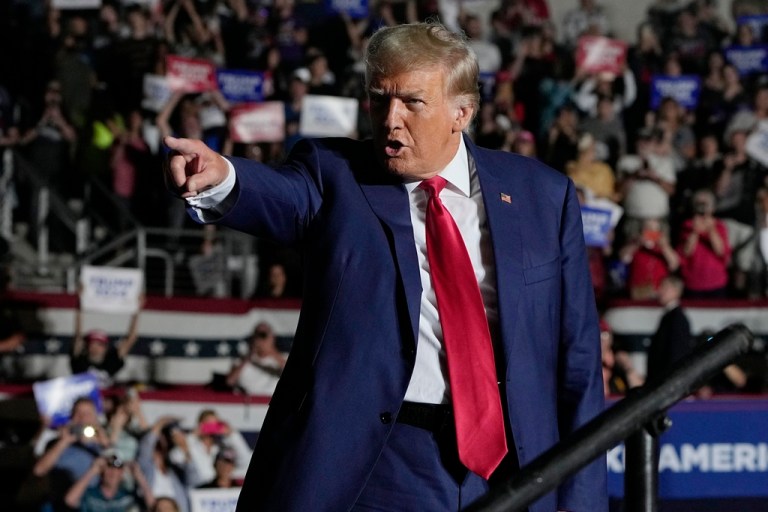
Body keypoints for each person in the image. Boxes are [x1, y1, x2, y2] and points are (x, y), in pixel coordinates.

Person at [164, 21, 606, 512]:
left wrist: (582, 501)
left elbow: (578, 366)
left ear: (462, 112)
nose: (390, 119)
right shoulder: (334, 174)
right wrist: (221, 178)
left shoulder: (543, 196)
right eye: (379, 100)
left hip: (514, 468)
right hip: (378, 464)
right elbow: (281, 197)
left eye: (412, 102)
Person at [71, 291, 144, 388]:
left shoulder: (112, 360)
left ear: (105, 347)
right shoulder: (79, 360)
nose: (94, 347)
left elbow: (131, 339)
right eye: (92, 343)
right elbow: (78, 335)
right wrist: (80, 304)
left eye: (99, 344)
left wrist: (137, 310)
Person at [645, 275, 694, 384]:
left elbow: (677, 353)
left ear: (676, 291)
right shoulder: (669, 317)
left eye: (665, 288)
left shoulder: (677, 319)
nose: (660, 291)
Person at [64, 453, 155, 511]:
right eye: (109, 468)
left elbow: (153, 506)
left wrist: (138, 476)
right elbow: (69, 500)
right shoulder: (90, 495)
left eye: (117, 469)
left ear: (122, 474)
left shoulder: (127, 497)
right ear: (101, 472)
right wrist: (92, 470)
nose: (113, 472)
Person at [226, 321, 287, 395]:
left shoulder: (280, 359)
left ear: (272, 337)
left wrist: (271, 351)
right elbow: (230, 381)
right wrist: (250, 355)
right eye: (257, 334)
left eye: (263, 335)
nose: (260, 339)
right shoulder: (243, 359)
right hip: (248, 400)